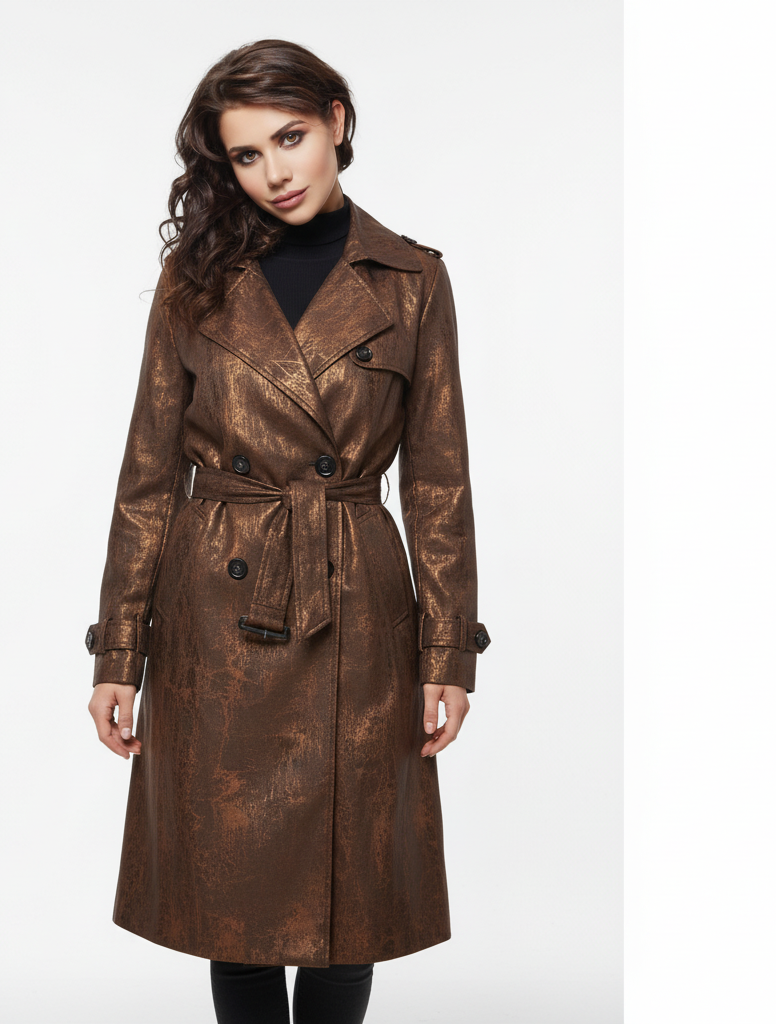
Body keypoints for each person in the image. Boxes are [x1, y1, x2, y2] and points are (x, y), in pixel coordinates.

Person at [85, 38, 490, 1024]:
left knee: (354, 887)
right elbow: (147, 480)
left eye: (291, 137)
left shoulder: (412, 279)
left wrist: (447, 651)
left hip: (356, 600)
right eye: (246, 154)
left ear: (337, 122)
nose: (274, 172)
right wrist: (118, 653)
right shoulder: (194, 279)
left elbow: (438, 482)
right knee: (232, 891)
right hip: (217, 613)